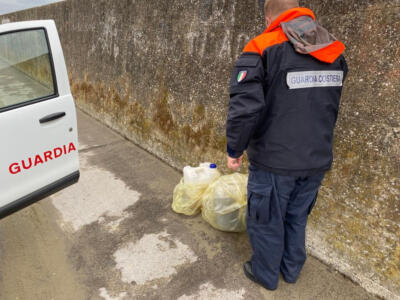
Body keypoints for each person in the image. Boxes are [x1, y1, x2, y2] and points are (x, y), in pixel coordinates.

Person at [225, 0, 348, 291]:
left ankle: (264, 274)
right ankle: (291, 270)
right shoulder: (333, 48)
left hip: (274, 162)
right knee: (297, 217)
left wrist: (234, 150)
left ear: (270, 15)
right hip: (316, 159)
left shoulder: (261, 46)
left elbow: (244, 109)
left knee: (266, 220)